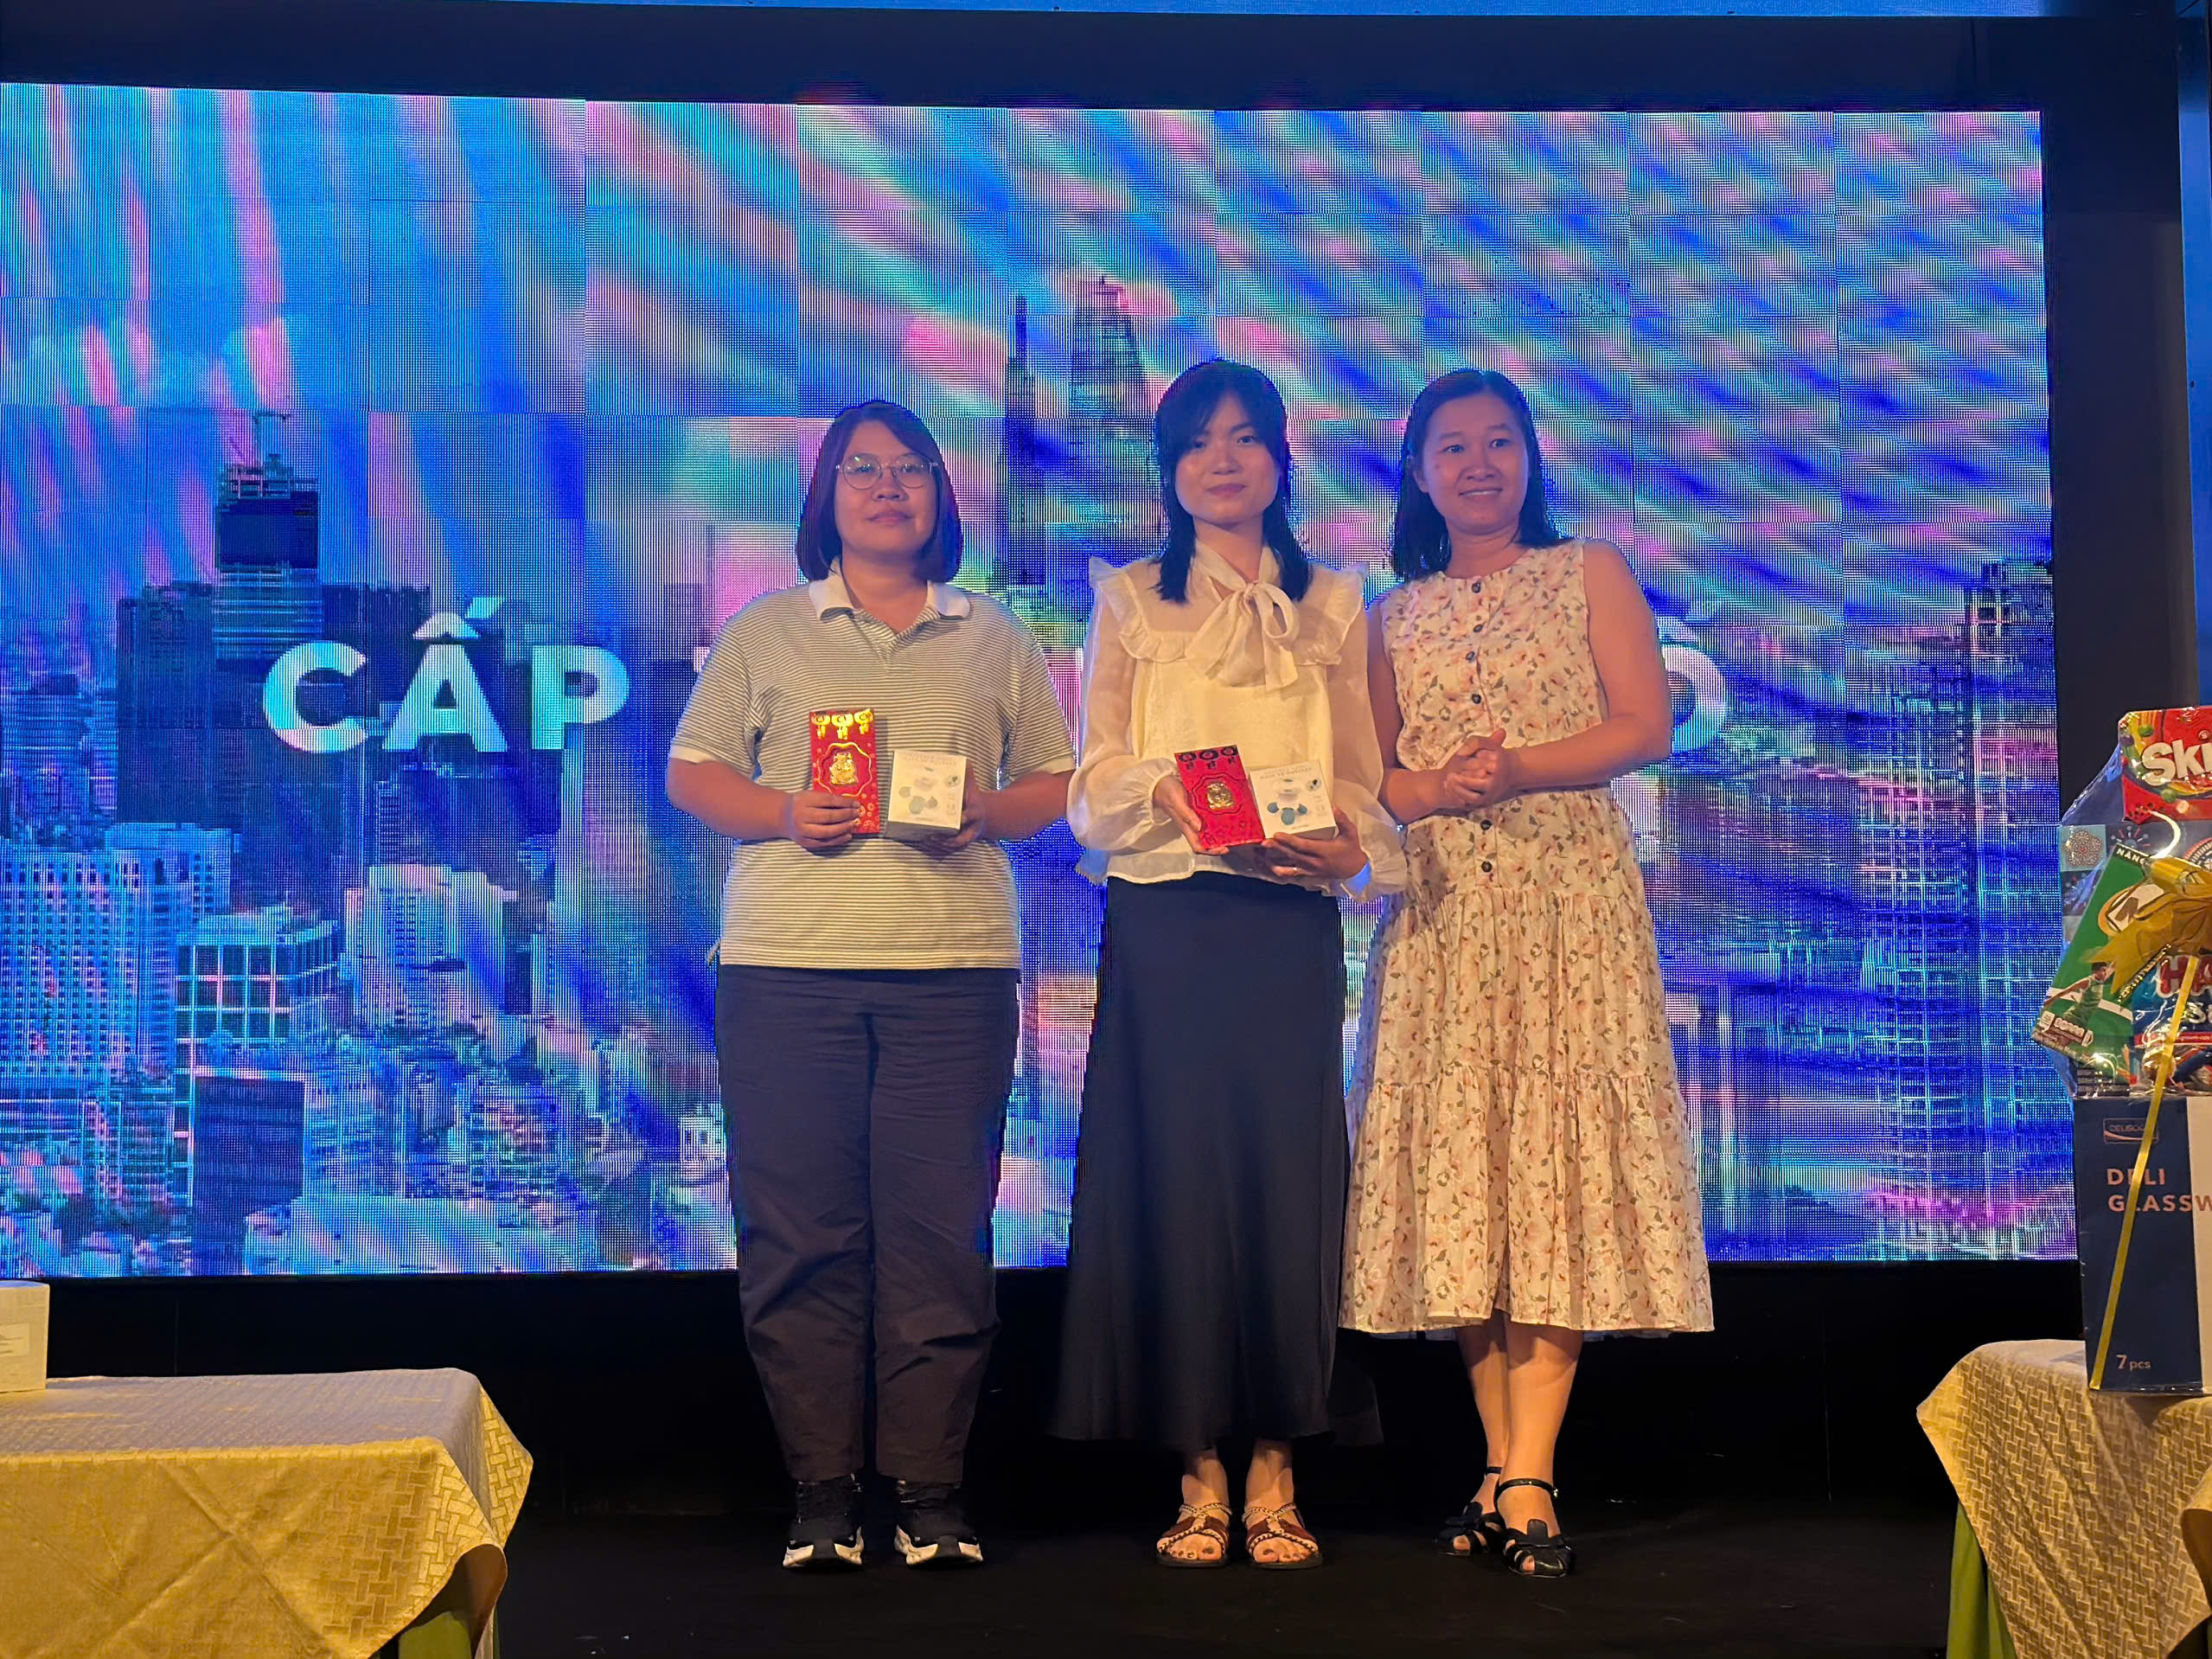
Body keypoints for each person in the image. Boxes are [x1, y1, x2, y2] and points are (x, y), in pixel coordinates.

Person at [666, 400, 1075, 1572]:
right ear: (826, 497)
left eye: (910, 469)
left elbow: (1054, 780)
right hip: (787, 970)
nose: (888, 488)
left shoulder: (991, 634)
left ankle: (929, 1491)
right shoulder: (767, 629)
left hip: (952, 971)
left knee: (940, 1237)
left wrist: (987, 812)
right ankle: (822, 1492)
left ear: (942, 494)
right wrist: (783, 811)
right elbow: (694, 772)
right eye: (861, 469)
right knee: (800, 1237)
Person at [1341, 368, 1713, 1579]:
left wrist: (1517, 768)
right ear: (1418, 473)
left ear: (1531, 459)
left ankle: (1529, 1473)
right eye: (1452, 447)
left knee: (1551, 1167)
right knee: (1472, 1181)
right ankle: (1506, 1470)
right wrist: (1435, 787)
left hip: (1567, 908)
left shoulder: (1588, 572)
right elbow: (1373, 780)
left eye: (1499, 441)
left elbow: (1643, 726)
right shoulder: (1387, 618)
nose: (1479, 464)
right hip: (1445, 914)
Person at [1052, 359, 1405, 1571]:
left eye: (1246, 437)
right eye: (1199, 441)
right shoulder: (1128, 599)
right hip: (1168, 916)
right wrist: (1173, 793)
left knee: (1284, 1181)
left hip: (1284, 921)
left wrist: (1343, 845)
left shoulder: (1336, 603)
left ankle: (1277, 1466)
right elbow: (1091, 778)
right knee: (1176, 1182)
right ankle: (1197, 1469)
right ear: (1169, 467)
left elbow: (1358, 777)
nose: (1222, 460)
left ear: (1280, 460)